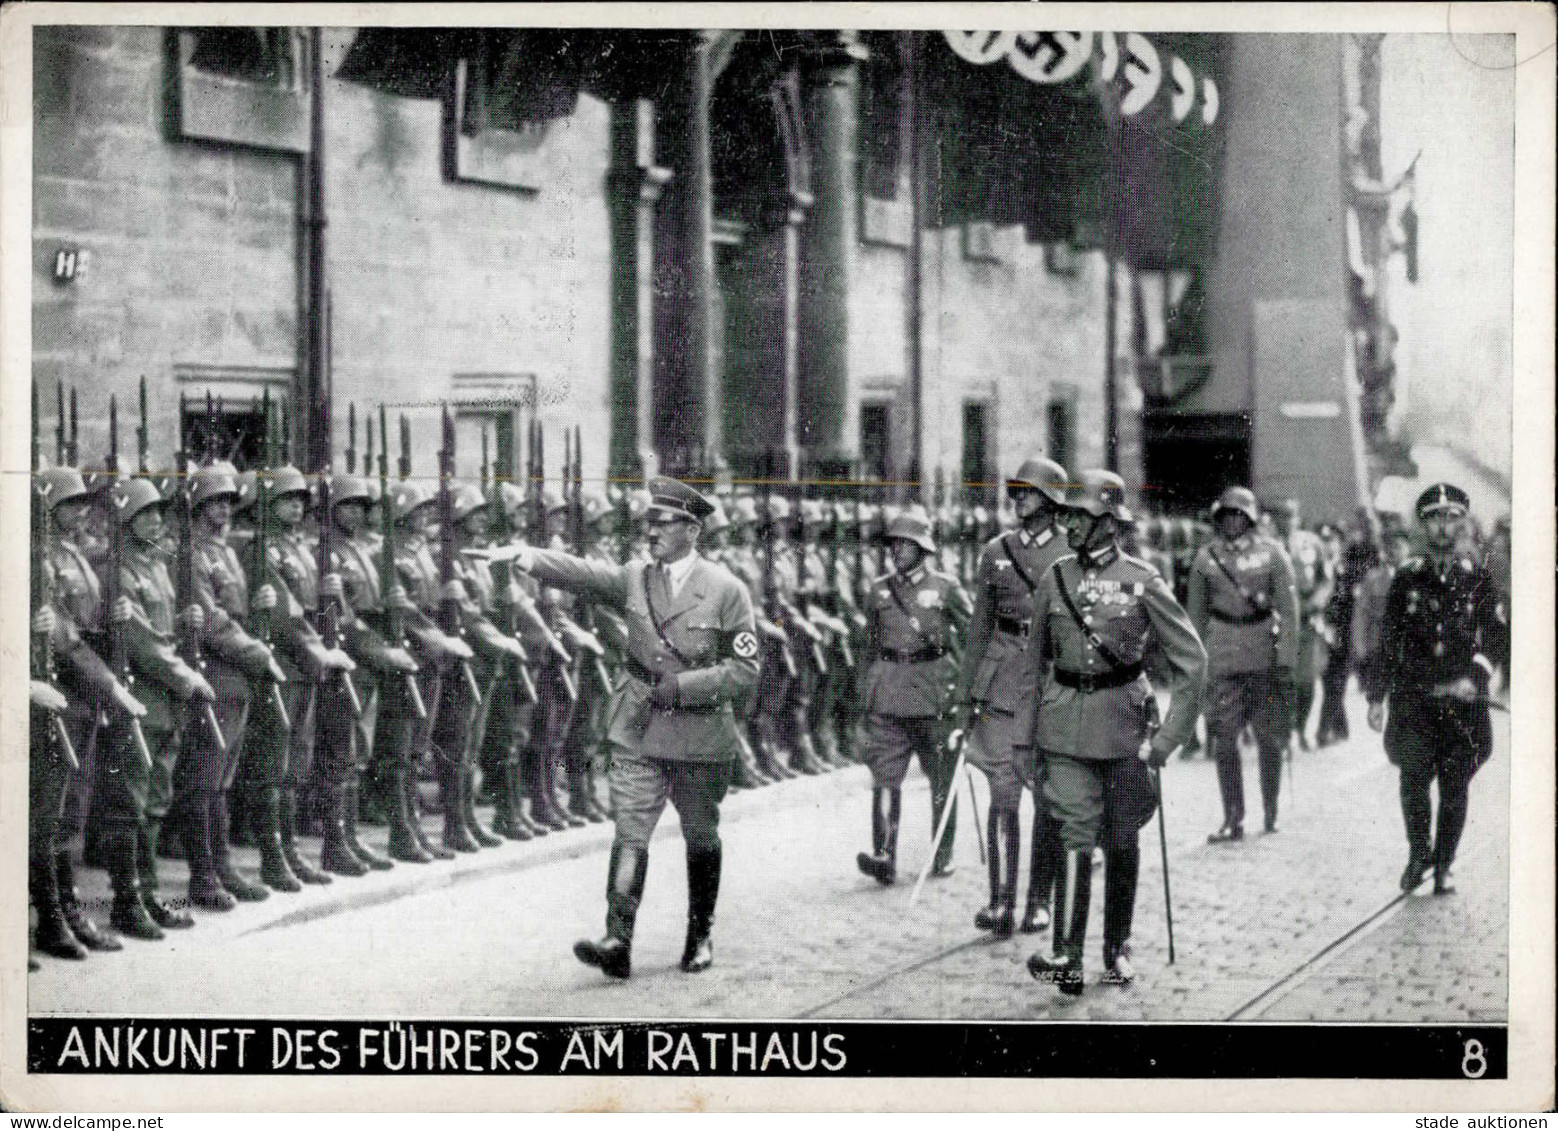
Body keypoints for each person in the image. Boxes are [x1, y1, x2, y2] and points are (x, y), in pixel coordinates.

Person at [472, 477, 760, 979]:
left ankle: (699, 935)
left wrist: (683, 687)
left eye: (662, 523)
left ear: (692, 529)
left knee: (700, 834)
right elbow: (582, 573)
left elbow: (744, 672)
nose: (650, 531)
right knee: (630, 831)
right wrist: (527, 557)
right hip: (639, 724)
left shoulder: (727, 591)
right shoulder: (635, 577)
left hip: (697, 731)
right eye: (648, 522)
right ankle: (618, 938)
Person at [1022, 471, 1206, 995]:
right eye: (1067, 516)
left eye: (1080, 516)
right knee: (1075, 831)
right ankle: (1067, 955)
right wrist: (1024, 739)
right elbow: (1031, 666)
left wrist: (1168, 739)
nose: (1070, 525)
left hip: (1126, 726)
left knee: (1123, 837)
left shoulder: (1143, 579)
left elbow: (1193, 663)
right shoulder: (1054, 578)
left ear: (1109, 523)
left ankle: (1117, 946)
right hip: (1064, 725)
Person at [1366, 483, 1506, 895]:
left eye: (1451, 518)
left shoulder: (1478, 579)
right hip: (1415, 700)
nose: (1443, 528)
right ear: (1423, 525)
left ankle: (1444, 863)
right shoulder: (1407, 578)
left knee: (1455, 783)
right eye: (1434, 519)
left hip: (1462, 704)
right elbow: (1388, 639)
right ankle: (1418, 854)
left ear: (1462, 523)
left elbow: (1496, 636)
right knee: (1412, 780)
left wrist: (1476, 679)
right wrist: (1376, 697)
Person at [953, 457, 1071, 939]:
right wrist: (965, 697)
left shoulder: (1071, 549)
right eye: (1016, 491)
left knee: (1048, 798)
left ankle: (1039, 900)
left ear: (1051, 500)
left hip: (1050, 682)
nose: (1018, 498)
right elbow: (979, 628)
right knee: (1003, 795)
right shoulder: (995, 552)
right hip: (1002, 682)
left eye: (1028, 491)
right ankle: (1001, 900)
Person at [106, 477, 215, 937]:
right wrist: (186, 676)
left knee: (154, 800)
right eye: (145, 513)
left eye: (158, 512)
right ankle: (127, 902)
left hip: (166, 700)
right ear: (126, 520)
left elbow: (163, 629)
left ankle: (147, 895)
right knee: (129, 803)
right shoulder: (120, 569)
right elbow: (141, 642)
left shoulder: (156, 565)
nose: (155, 519)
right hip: (144, 695)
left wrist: (190, 621)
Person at [854, 510, 972, 887]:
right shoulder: (879, 590)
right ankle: (884, 855)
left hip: (935, 695)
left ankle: (942, 852)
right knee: (885, 777)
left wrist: (970, 692)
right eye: (894, 544)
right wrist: (865, 692)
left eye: (906, 544)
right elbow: (869, 646)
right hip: (888, 693)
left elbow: (973, 639)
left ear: (923, 549)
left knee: (941, 779)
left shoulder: (946, 588)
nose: (897, 551)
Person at [1186, 486, 1300, 841]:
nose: (1232, 522)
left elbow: (1289, 611)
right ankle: (1232, 816)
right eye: (1226, 516)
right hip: (1221, 654)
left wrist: (1286, 659)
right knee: (1223, 739)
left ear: (1250, 519)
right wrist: (1194, 661)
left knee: (1269, 739)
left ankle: (1271, 810)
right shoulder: (1206, 559)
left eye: (1239, 515)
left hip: (1262, 652)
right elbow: (1194, 614)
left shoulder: (1272, 554)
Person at [1274, 498, 1332, 749]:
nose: (1287, 522)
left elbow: (1326, 579)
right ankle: (1284, 730)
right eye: (1283, 517)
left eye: (1292, 516)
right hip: (1278, 621)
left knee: (1307, 680)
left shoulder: (1312, 544)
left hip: (1307, 619)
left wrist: (1317, 602)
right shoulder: (1268, 547)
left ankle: (1301, 728)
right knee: (1282, 680)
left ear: (1298, 518)